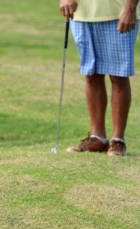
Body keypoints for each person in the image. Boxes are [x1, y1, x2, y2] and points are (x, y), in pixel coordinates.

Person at [59, 0, 138, 156]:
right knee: (91, 74)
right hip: (81, 14)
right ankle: (98, 138)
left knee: (118, 76)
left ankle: (118, 140)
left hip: (118, 12)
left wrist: (130, 8)